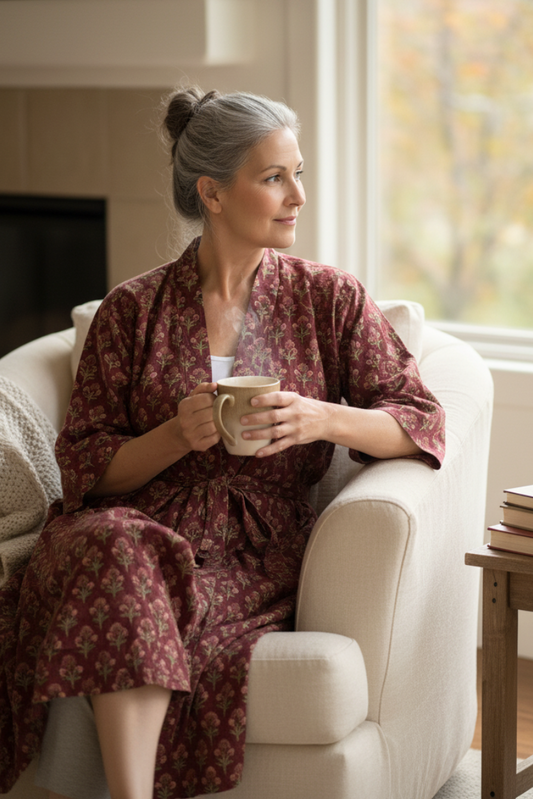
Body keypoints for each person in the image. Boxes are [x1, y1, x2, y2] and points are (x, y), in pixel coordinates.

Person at [0, 87, 445, 799]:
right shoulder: (131, 310)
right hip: (130, 525)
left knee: (136, 568)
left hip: (248, 550)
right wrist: (176, 435)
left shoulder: (327, 299)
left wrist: (321, 418)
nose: (297, 194)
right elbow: (86, 471)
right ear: (211, 192)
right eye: (273, 177)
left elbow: (418, 419)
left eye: (298, 172)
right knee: (118, 548)